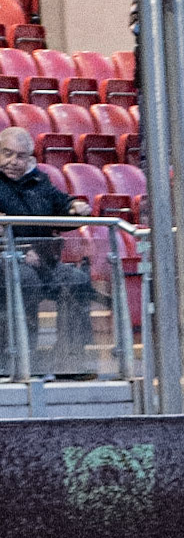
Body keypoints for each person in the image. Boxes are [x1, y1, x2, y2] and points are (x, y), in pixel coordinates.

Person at [0, 126, 92, 372]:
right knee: (26, 280)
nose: (12, 162)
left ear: (30, 159)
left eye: (20, 156)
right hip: (6, 261)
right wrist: (17, 252)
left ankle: (68, 360)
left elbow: (62, 205)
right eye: (6, 154)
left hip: (42, 260)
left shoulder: (40, 181)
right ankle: (21, 361)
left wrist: (75, 207)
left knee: (77, 280)